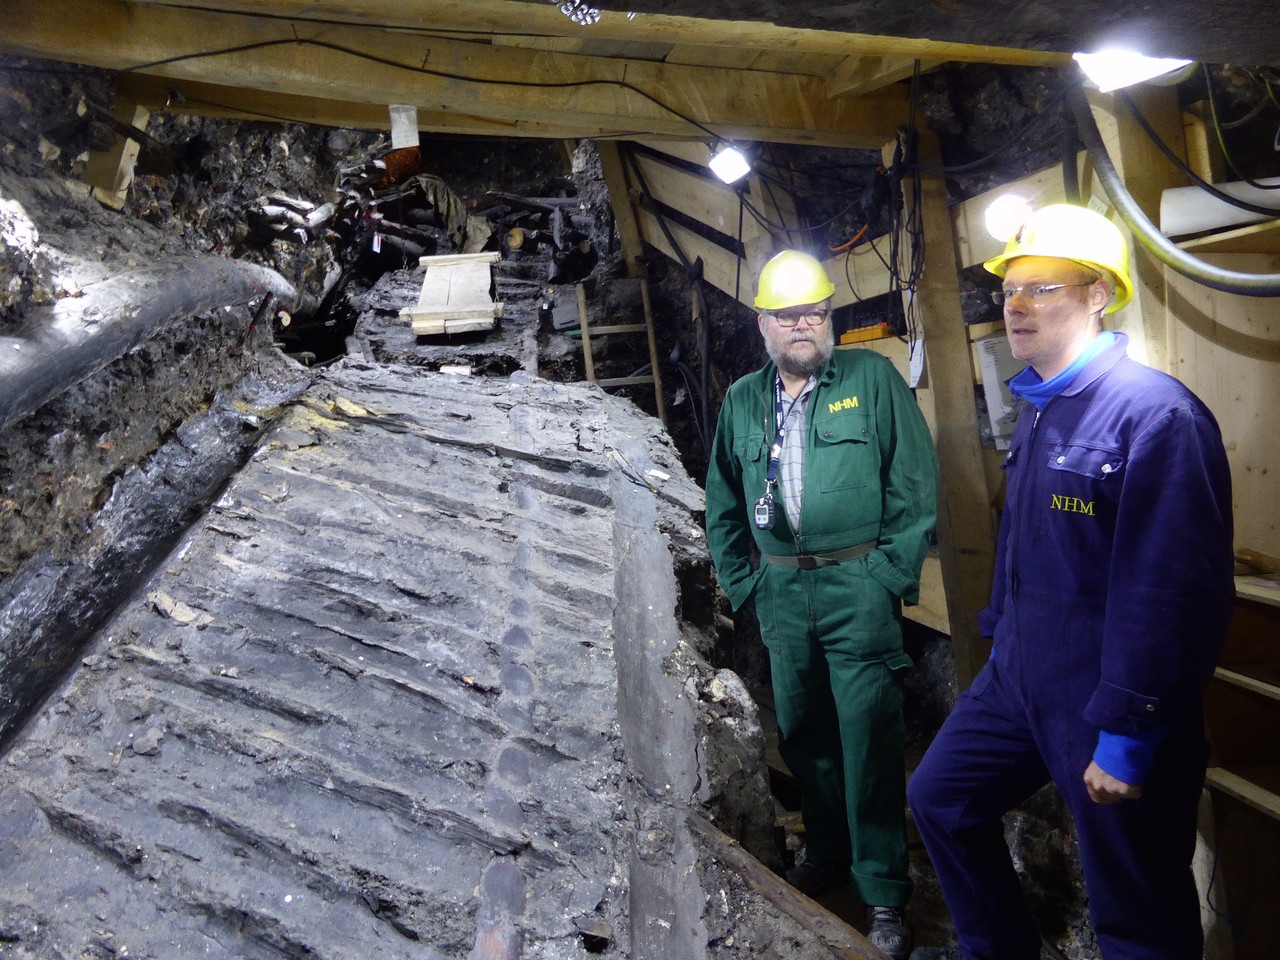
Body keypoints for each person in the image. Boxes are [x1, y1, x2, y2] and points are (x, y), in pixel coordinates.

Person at [906, 204, 1234, 960]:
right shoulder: (1044, 408)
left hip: (1109, 695)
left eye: (1042, 289)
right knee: (942, 799)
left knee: (1135, 905)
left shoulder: (1155, 417)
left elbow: (1174, 595)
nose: (1017, 306)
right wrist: (1001, 644)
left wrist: (1129, 731)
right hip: (1022, 678)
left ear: (1098, 295)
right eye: (1009, 291)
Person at [705, 249, 939, 960]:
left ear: (828, 317)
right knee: (804, 733)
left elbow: (915, 483)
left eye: (814, 311)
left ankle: (883, 889)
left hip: (854, 586)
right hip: (781, 589)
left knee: (869, 736)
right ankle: (829, 851)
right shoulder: (744, 399)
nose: (802, 325)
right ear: (764, 324)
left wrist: (887, 576)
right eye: (787, 314)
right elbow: (721, 502)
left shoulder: (870, 380)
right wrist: (746, 582)